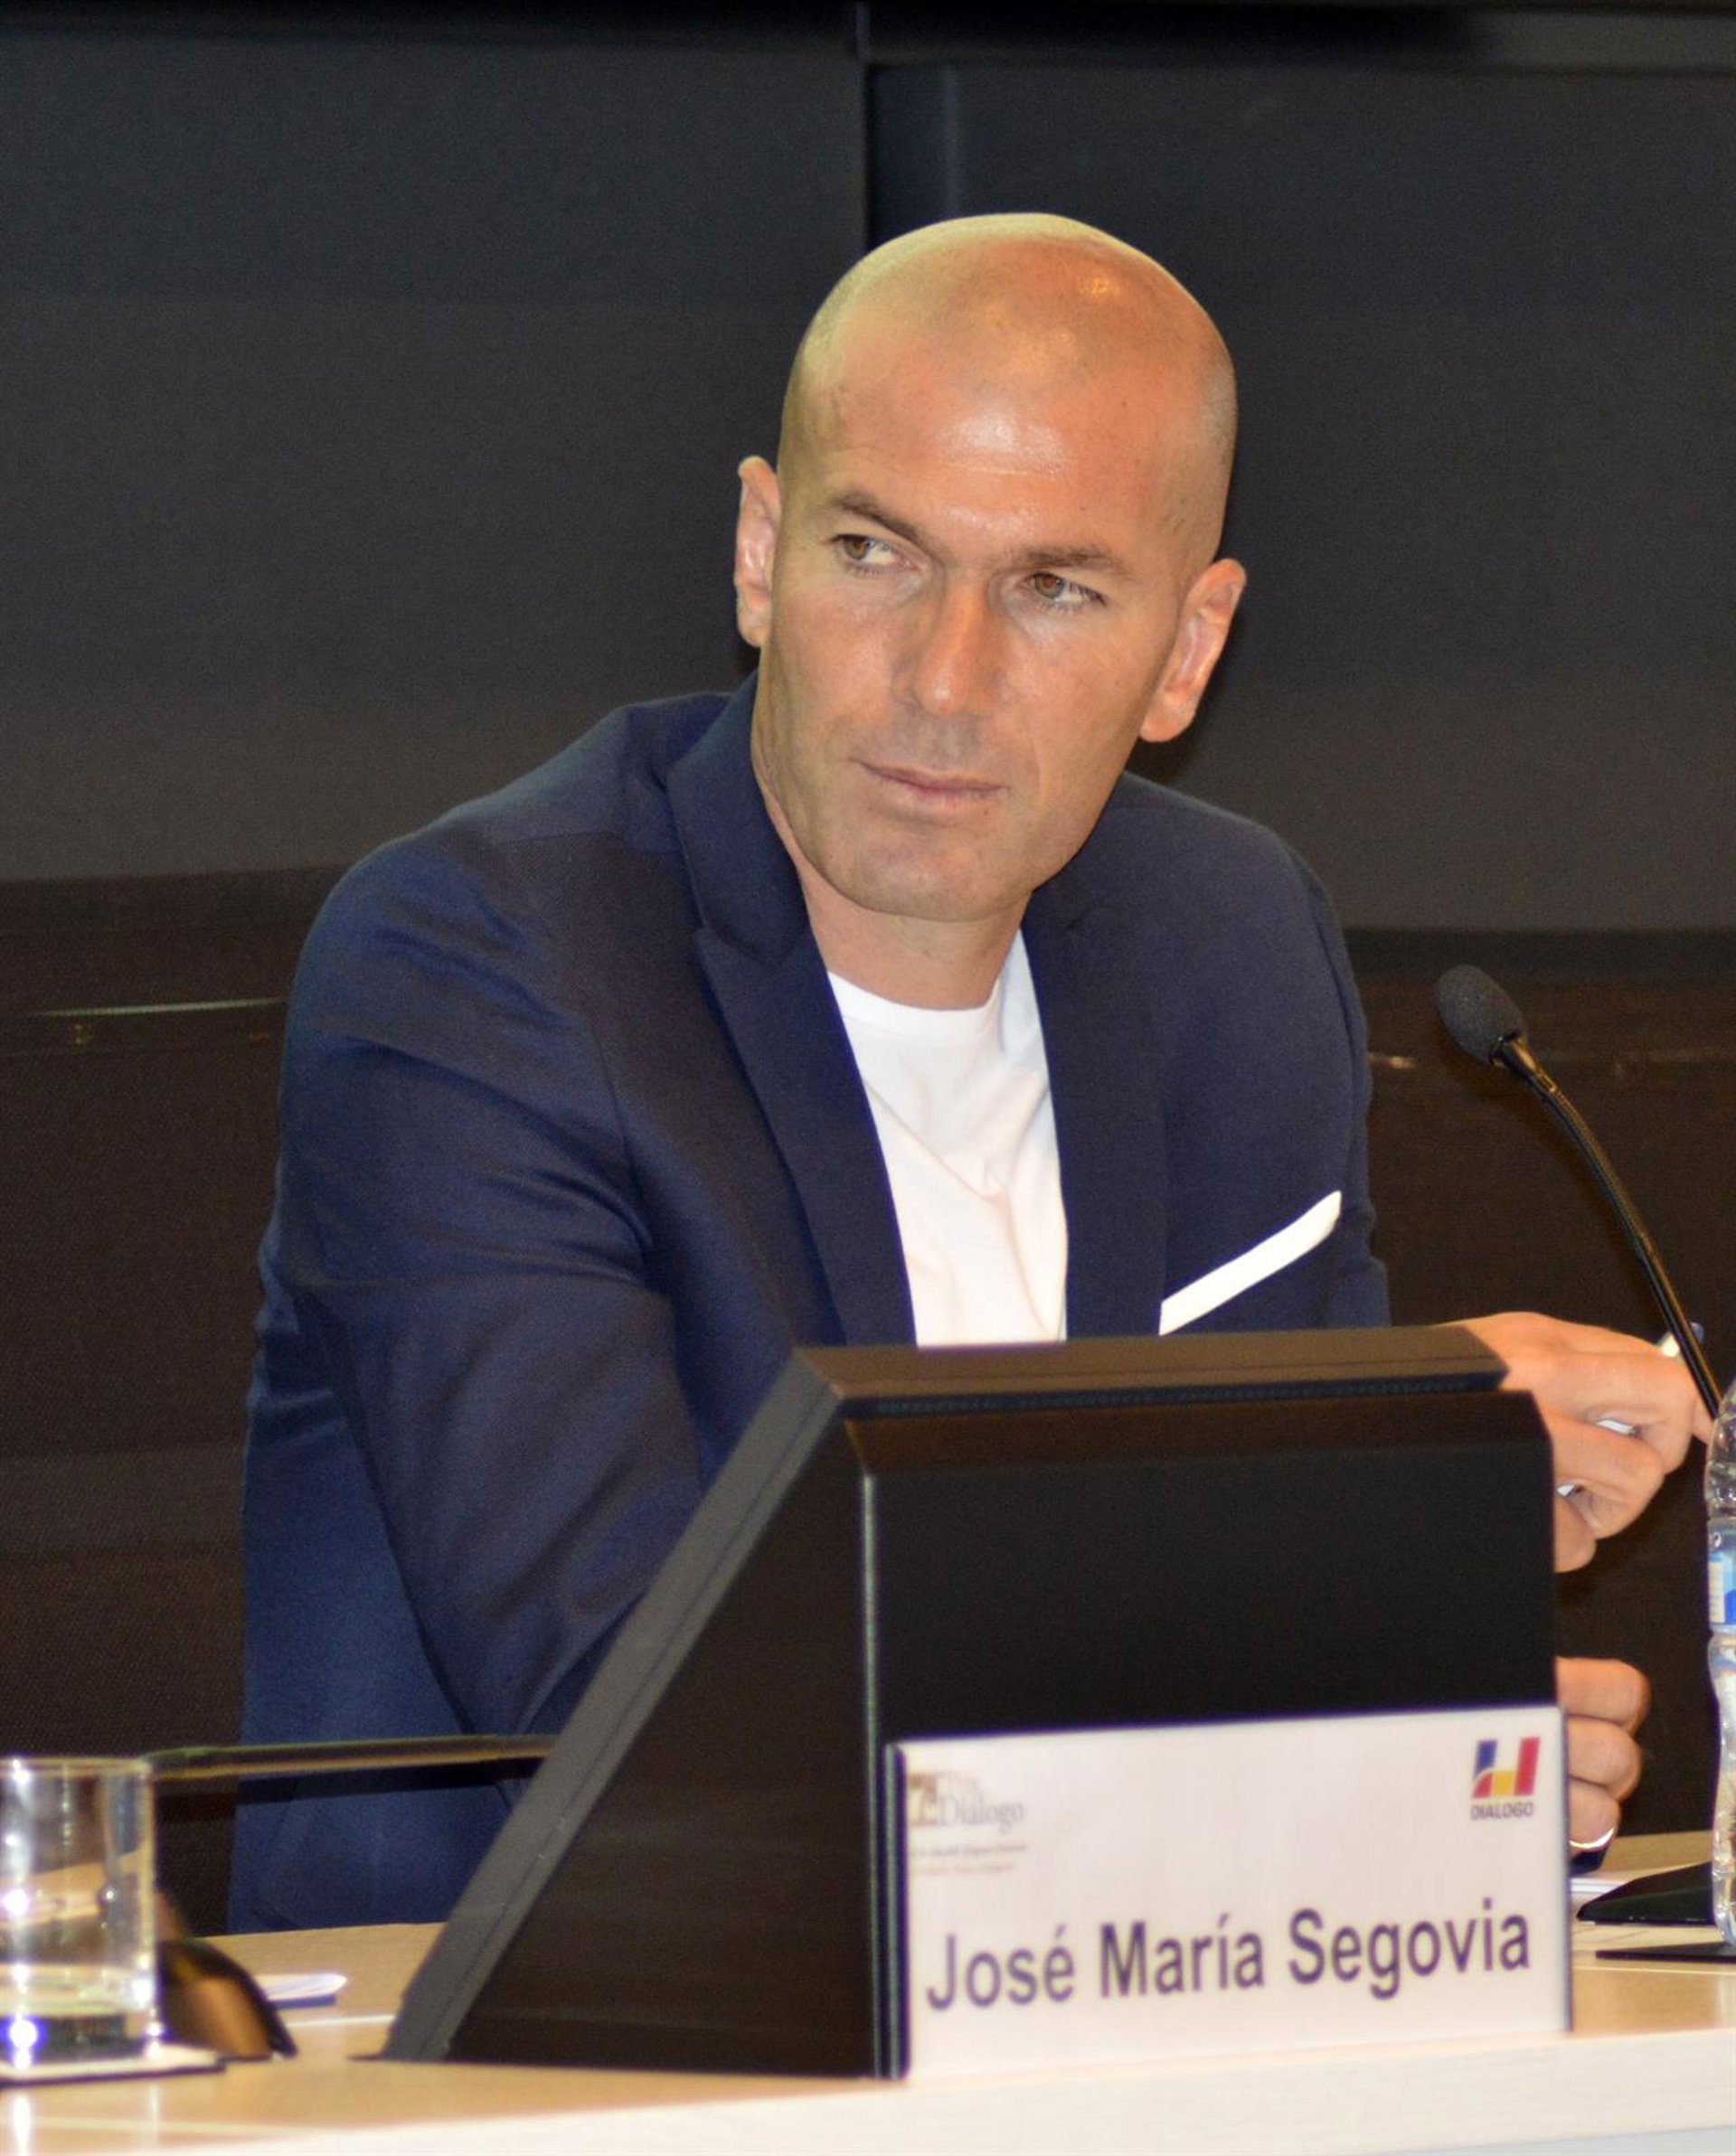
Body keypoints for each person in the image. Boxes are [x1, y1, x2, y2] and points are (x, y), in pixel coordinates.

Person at [234, 215, 1708, 1929]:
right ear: (759, 553)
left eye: (1053, 589)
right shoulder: (482, 967)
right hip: (544, 2028)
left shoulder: (1227, 948)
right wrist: (1339, 1501)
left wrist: (1421, 1749)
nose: (944, 679)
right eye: (875, 553)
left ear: (1187, 652)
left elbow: (1293, 1670)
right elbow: (631, 1706)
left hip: (1129, 1997)